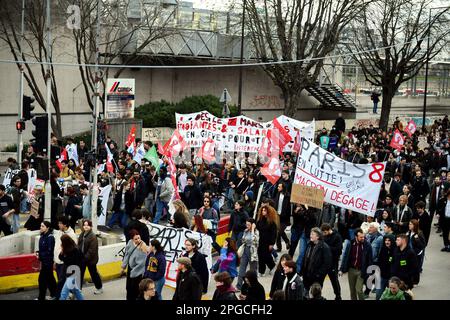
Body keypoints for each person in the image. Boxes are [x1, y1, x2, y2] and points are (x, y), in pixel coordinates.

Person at [339, 228, 373, 300]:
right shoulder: (350, 244)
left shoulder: (367, 245)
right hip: (351, 270)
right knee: (352, 291)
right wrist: (341, 269)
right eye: (361, 237)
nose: (363, 238)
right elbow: (345, 256)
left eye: (363, 236)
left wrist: (370, 272)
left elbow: (370, 259)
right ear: (356, 237)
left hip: (361, 270)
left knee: (359, 290)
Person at [300, 227, 332, 294]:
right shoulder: (309, 245)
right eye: (310, 234)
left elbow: (327, 264)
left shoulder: (324, 247)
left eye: (312, 234)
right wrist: (302, 271)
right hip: (307, 277)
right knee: (305, 295)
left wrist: (318, 274)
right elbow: (305, 259)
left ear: (317, 237)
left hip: (317, 278)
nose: (310, 235)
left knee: (315, 295)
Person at [54, 215, 77, 299]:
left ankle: (61, 297)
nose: (58, 225)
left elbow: (73, 250)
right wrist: (55, 260)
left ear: (65, 225)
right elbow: (56, 247)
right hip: (58, 261)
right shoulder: (59, 232)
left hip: (65, 263)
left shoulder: (72, 235)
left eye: (60, 223)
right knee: (61, 281)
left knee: (62, 282)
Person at [78, 219, 103, 294]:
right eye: (84, 225)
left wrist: (84, 258)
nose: (85, 227)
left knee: (93, 274)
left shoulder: (93, 236)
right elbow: (79, 245)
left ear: (91, 226)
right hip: (82, 258)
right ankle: (78, 290)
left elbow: (91, 251)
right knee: (79, 275)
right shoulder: (82, 234)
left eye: (87, 225)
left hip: (90, 260)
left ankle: (99, 288)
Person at [121, 229, 148, 300]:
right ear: (132, 239)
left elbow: (143, 262)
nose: (138, 240)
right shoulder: (130, 243)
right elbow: (127, 255)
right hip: (130, 268)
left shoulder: (143, 246)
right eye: (136, 239)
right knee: (128, 287)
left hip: (138, 270)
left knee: (135, 289)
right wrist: (123, 266)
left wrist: (134, 272)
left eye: (139, 238)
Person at [321, 223, 343, 300]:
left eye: (325, 232)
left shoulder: (337, 237)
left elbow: (338, 250)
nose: (324, 234)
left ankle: (338, 295)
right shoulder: (323, 236)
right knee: (320, 280)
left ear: (329, 230)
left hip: (333, 262)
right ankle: (317, 294)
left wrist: (327, 248)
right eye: (323, 233)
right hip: (323, 262)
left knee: (334, 280)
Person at [58, 234, 84, 300]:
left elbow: (70, 262)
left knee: (63, 293)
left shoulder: (75, 250)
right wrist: (62, 251)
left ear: (65, 242)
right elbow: (60, 257)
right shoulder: (66, 249)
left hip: (74, 273)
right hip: (69, 273)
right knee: (76, 291)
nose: (61, 243)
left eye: (62, 242)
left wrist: (64, 255)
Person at [236, 218, 259, 291]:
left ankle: (253, 286)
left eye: (249, 225)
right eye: (246, 224)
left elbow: (255, 241)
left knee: (252, 271)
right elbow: (243, 240)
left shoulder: (256, 232)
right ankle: (239, 286)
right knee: (242, 268)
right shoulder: (245, 231)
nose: (247, 226)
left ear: (253, 225)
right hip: (245, 250)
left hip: (253, 252)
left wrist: (252, 230)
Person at [36, 221, 57, 300]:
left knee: (42, 280)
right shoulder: (42, 236)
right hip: (44, 262)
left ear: (47, 228)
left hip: (48, 263)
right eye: (40, 226)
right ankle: (55, 294)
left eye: (42, 226)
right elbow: (42, 250)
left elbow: (49, 251)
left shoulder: (50, 238)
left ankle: (41, 297)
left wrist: (40, 255)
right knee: (50, 279)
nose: (40, 227)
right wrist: (38, 253)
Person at [256, 205, 279, 277]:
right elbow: (257, 228)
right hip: (260, 241)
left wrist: (272, 244)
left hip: (268, 242)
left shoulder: (272, 222)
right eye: (262, 210)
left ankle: (272, 265)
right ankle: (261, 271)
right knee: (260, 256)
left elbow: (274, 234)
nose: (263, 212)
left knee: (266, 256)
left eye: (265, 210)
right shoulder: (260, 220)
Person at [375, 234, 396, 300]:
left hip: (392, 278)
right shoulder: (383, 249)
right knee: (378, 294)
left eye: (389, 240)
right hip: (382, 276)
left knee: (391, 296)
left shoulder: (396, 251)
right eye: (386, 240)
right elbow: (379, 262)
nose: (387, 242)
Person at [406, 219, 426, 285]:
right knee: (409, 267)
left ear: (415, 225)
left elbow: (423, 245)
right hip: (409, 253)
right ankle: (410, 280)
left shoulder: (419, 233)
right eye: (409, 224)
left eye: (411, 224)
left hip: (416, 254)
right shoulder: (408, 233)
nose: (409, 225)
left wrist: (417, 239)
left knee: (416, 268)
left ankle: (416, 282)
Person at [273, 183, 291, 252]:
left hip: (284, 217)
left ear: (283, 187)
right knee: (278, 232)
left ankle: (287, 241)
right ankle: (279, 247)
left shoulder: (287, 196)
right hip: (277, 215)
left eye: (279, 186)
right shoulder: (277, 194)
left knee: (280, 231)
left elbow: (289, 209)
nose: (278, 188)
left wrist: (288, 219)